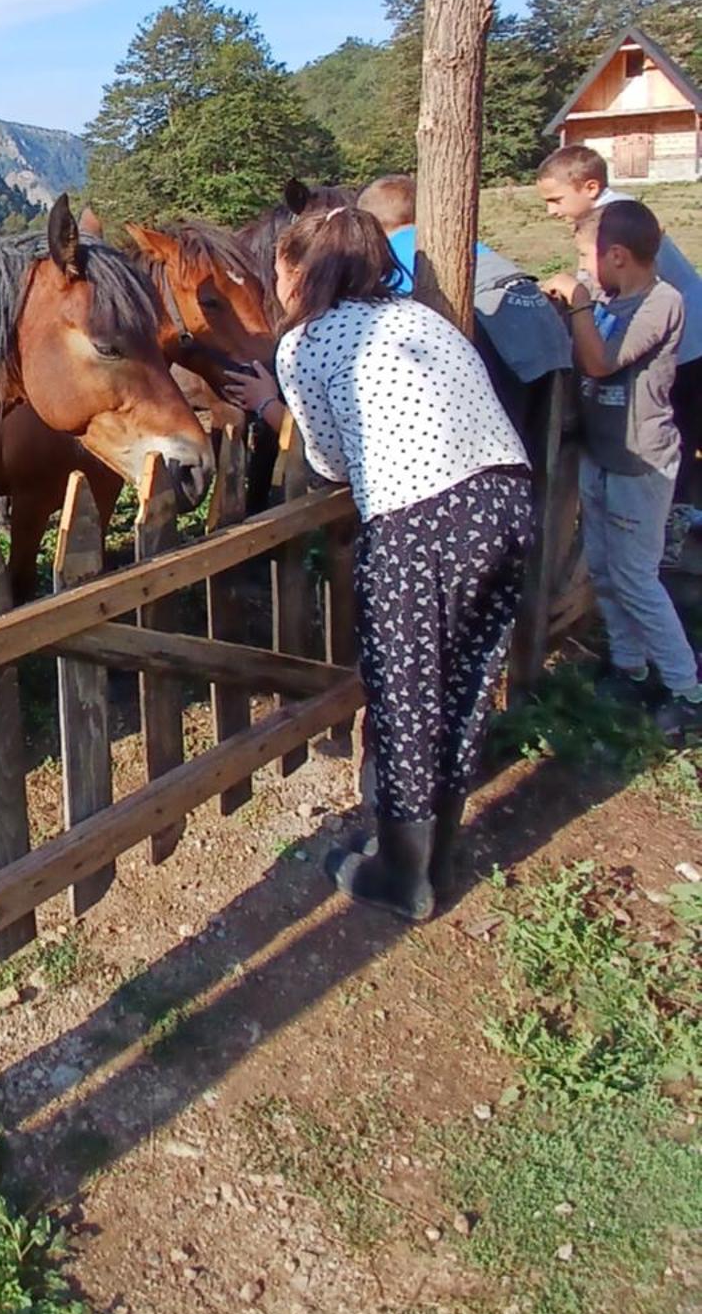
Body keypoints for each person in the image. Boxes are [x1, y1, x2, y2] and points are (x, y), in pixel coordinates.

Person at [226, 205, 533, 922]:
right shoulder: (422, 318)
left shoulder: (306, 343)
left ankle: (402, 874)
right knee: (466, 677)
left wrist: (272, 404)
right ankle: (436, 851)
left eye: (279, 270)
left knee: (406, 691)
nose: (276, 283)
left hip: (421, 519)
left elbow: (330, 461)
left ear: (301, 271)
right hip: (508, 497)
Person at [542, 200, 702, 741]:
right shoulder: (611, 300)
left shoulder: (661, 303)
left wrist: (581, 305)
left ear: (617, 255)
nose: (582, 270)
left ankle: (686, 688)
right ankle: (629, 668)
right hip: (601, 455)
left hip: (640, 463)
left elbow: (601, 363)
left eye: (586, 259)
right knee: (607, 573)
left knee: (638, 579)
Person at [536, 144, 702, 504]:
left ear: (590, 188)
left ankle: (675, 518)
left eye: (557, 200)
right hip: (669, 334)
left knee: (675, 429)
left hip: (687, 344)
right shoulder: (607, 219)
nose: (551, 211)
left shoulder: (614, 222)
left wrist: (567, 294)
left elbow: (591, 285)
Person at [357, 173, 571, 429]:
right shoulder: (455, 242)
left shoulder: (396, 252)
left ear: (373, 227)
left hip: (494, 332)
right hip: (540, 322)